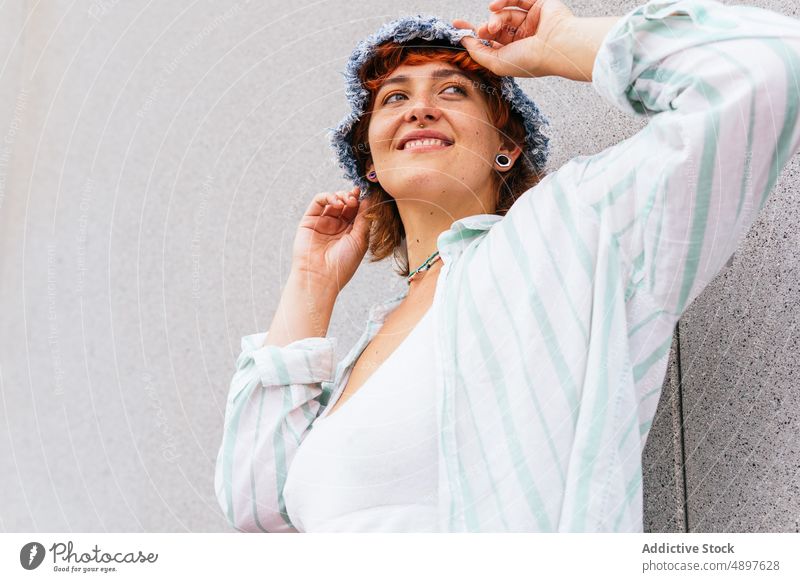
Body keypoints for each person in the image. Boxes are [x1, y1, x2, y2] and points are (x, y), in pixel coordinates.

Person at [214, 0, 800, 532]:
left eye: (452, 91)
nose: (418, 107)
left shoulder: (567, 232)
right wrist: (311, 288)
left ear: (507, 146)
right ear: (370, 162)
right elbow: (256, 501)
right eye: (394, 97)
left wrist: (565, 43)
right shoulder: (363, 351)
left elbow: (767, 68)